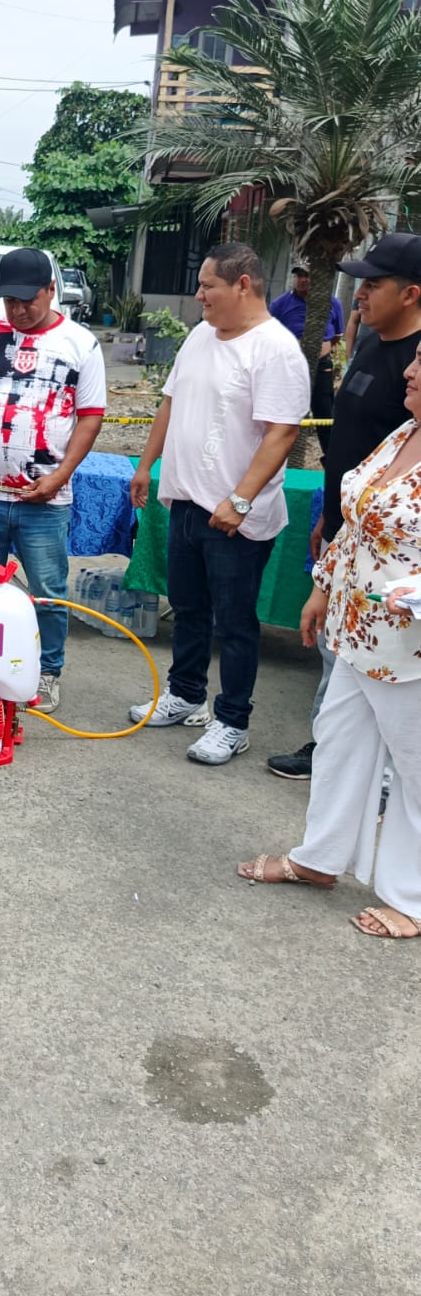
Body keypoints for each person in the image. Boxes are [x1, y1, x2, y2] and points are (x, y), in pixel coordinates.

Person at [239, 339, 421, 940]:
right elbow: (359, 525)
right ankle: (319, 858)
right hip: (357, 628)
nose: (410, 370)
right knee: (339, 743)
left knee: (415, 771)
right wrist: (322, 587)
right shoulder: (404, 434)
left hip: (411, 648)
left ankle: (412, 898)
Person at [128, 242, 310, 764]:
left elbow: (281, 433)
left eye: (208, 286)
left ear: (243, 285)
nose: (199, 295)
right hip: (185, 500)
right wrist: (146, 466)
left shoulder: (275, 349)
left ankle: (232, 720)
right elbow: (170, 402)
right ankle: (186, 694)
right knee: (187, 609)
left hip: (234, 517)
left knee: (233, 623)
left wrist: (240, 500)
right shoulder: (200, 335)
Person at [267, 232, 421, 779]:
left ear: (411, 294)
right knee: (336, 652)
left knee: (364, 664)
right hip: (346, 531)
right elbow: (355, 447)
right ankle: (333, 752)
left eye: (373, 285)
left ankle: (365, 768)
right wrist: (330, 518)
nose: (360, 294)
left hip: (391, 558)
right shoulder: (373, 345)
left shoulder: (416, 366)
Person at [0, 247, 106, 715]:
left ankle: (47, 672)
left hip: (45, 500)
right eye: (9, 301)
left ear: (51, 290)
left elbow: (91, 417)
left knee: (48, 593)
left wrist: (60, 476)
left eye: (27, 300)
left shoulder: (80, 343)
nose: (17, 310)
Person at [269, 260, 343, 457]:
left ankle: (332, 461)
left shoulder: (333, 303)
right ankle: (280, 458)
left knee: (325, 414)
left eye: (307, 275)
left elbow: (337, 336)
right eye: (299, 275)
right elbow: (268, 335)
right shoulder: (280, 304)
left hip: (321, 367)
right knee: (285, 414)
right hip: (289, 368)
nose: (302, 280)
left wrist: (319, 351)